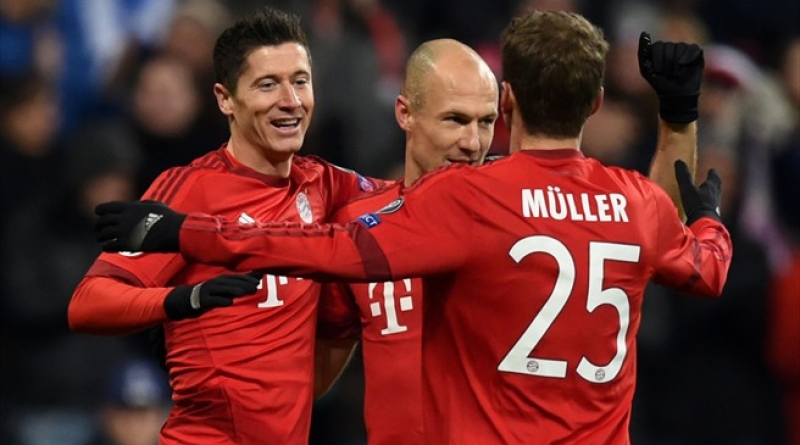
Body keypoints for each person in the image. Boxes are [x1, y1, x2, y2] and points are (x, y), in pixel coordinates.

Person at [96, 10, 733, 444]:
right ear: (404, 113)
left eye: (484, 122)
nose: (472, 141)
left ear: (507, 108)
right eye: (455, 120)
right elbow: (662, 226)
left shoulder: (493, 204)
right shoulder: (373, 212)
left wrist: (190, 233)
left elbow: (654, 226)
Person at [68, 7, 381, 445]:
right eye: (267, 84)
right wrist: (182, 299)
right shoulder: (190, 190)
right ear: (225, 99)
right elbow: (87, 304)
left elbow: (413, 199)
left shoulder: (326, 184)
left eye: (300, 81)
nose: (290, 100)